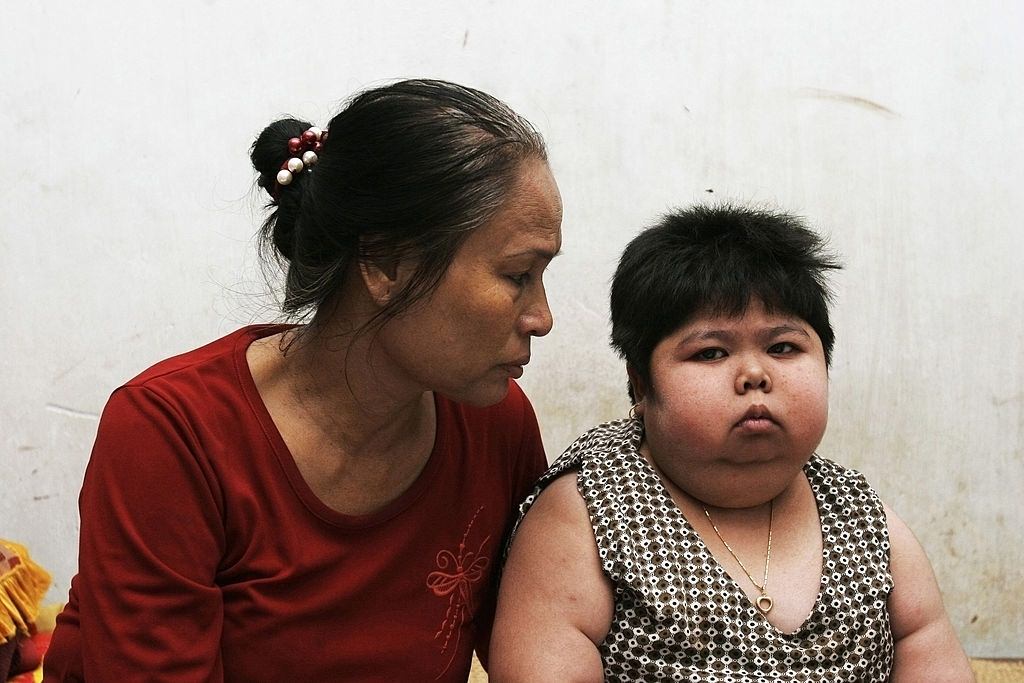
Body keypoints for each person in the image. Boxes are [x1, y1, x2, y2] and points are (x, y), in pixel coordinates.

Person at [43, 79, 562, 682]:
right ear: (387, 263)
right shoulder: (173, 435)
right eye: (518, 274)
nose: (542, 318)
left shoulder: (496, 425)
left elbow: (536, 650)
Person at [490, 205, 973, 681]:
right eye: (711, 352)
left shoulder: (857, 514)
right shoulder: (591, 512)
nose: (754, 374)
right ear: (640, 386)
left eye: (784, 347)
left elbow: (926, 641)